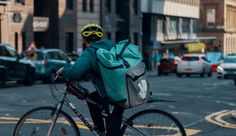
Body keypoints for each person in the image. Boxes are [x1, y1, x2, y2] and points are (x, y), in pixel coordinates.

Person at [56, 24, 125, 136]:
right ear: (101, 38)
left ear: (84, 40)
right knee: (91, 99)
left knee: (112, 128)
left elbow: (75, 72)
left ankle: (102, 132)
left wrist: (62, 71)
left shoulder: (90, 52)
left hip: (113, 94)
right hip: (123, 88)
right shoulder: (112, 46)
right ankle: (101, 131)